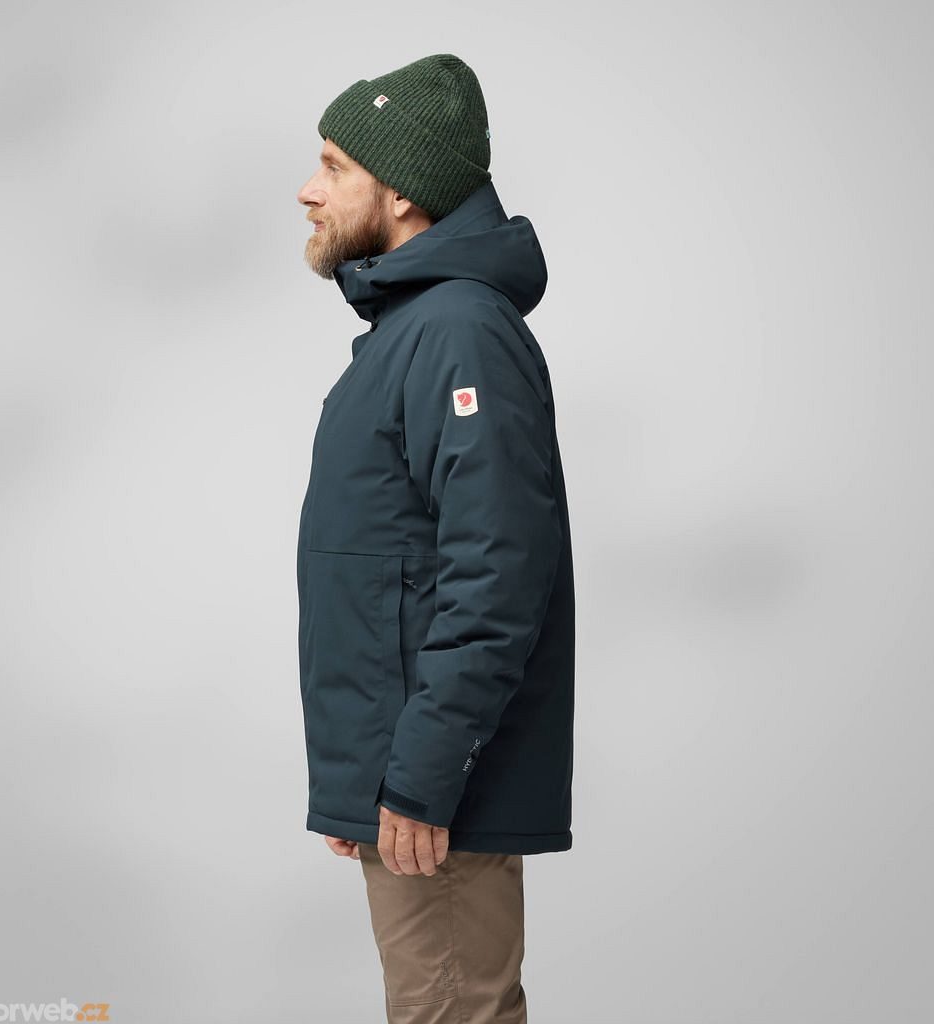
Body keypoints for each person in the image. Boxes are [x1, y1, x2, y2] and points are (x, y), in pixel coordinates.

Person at [295, 53, 575, 1024]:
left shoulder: (458, 330)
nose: (308, 190)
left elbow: (497, 570)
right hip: (407, 778)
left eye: (334, 166)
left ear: (402, 192)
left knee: (451, 1010)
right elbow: (390, 564)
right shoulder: (417, 329)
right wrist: (360, 778)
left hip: (435, 793)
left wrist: (416, 778)